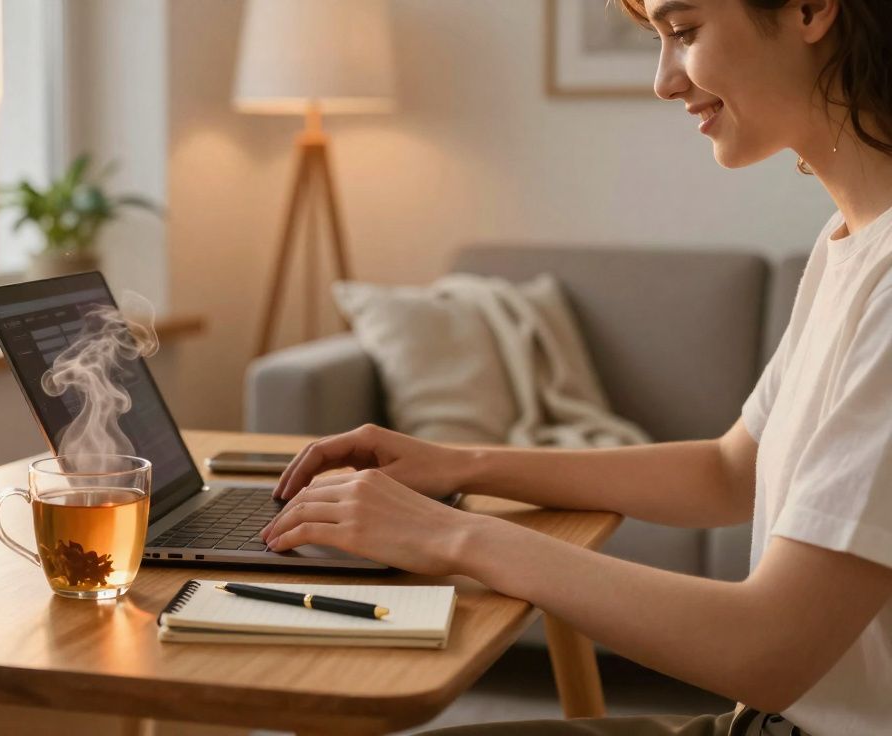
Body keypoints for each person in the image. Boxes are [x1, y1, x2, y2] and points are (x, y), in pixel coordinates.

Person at [258, 1, 892, 734]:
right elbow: (729, 471)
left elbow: (769, 648)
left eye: (683, 32)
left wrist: (450, 536)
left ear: (811, 9)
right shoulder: (850, 238)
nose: (663, 81)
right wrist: (461, 465)